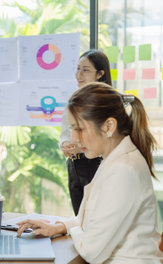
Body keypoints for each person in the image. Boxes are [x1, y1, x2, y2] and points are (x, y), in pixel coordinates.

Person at [17, 82, 163, 264]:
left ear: (108, 126)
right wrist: (58, 227)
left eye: (79, 129)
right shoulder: (115, 159)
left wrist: (75, 230)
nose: (75, 138)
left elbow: (92, 250)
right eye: (72, 130)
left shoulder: (123, 170)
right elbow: (93, 219)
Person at [60, 50, 112, 215]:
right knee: (80, 217)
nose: (79, 75)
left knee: (97, 217)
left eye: (86, 70)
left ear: (100, 74)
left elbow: (109, 138)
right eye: (78, 69)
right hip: (75, 166)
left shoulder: (110, 102)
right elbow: (65, 133)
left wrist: (80, 145)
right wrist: (65, 144)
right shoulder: (75, 99)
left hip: (97, 165)